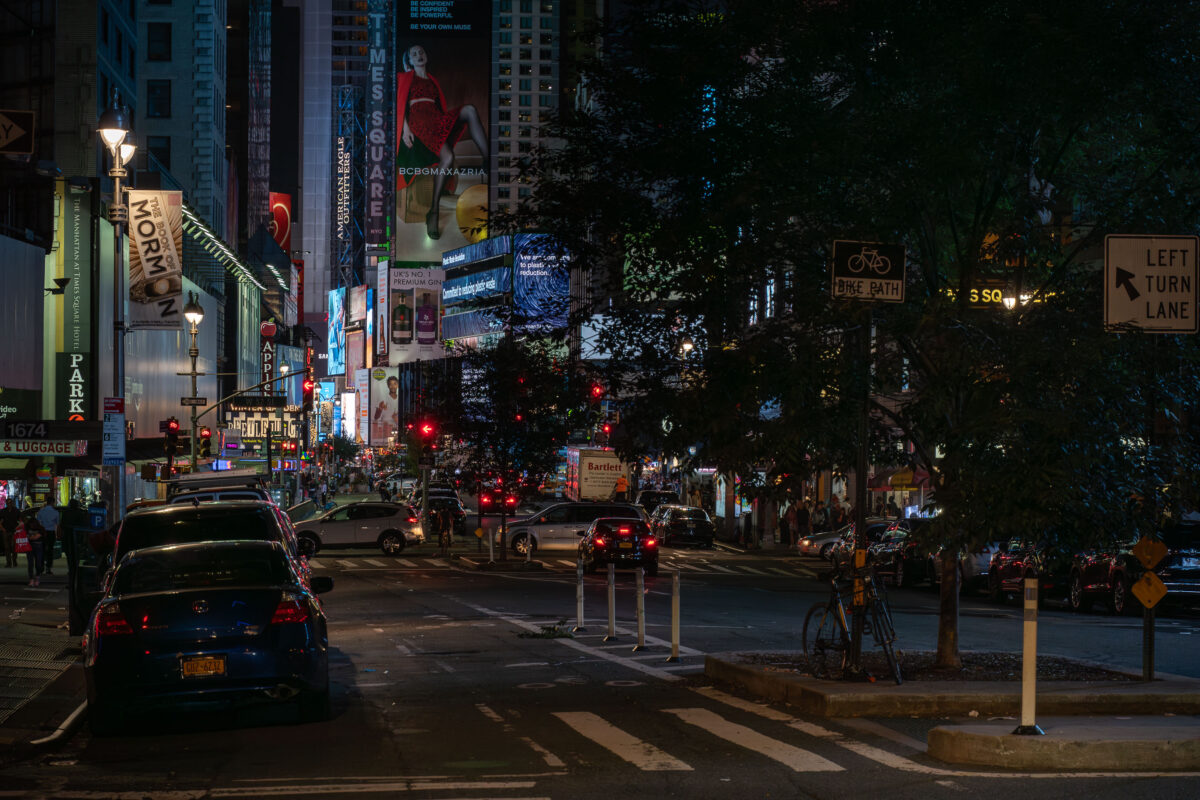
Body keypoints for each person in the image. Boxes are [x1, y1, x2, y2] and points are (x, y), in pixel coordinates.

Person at [396, 43, 489, 241]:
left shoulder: (433, 80)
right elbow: (400, 103)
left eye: (421, 51)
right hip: (418, 121)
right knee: (447, 157)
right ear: (409, 61)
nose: (419, 54)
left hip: (436, 119)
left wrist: (445, 124)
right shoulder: (405, 78)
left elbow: (440, 107)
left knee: (470, 110)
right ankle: (434, 211)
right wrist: (405, 129)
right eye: (414, 53)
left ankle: (489, 160)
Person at [17, 513, 43, 587]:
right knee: (30, 564)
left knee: (38, 563)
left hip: (38, 546)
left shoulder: (40, 528)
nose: (31, 526)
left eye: (33, 525)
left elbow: (35, 537)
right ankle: (31, 579)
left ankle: (37, 578)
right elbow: (20, 531)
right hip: (31, 547)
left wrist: (30, 536)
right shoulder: (27, 528)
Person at [36, 500, 60, 576]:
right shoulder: (55, 512)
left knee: (41, 550)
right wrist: (57, 535)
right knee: (50, 551)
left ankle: (41, 568)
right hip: (51, 532)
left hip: (43, 532)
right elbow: (57, 524)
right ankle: (48, 568)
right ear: (52, 503)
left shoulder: (41, 511)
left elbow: (38, 523)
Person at [1, 499, 19, 568]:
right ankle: (8, 562)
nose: (9, 504)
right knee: (7, 548)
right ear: (6, 503)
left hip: (14, 531)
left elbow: (20, 520)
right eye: (8, 503)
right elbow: (1, 521)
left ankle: (14, 561)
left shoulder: (16, 511)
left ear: (12, 503)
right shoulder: (3, 511)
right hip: (6, 531)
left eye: (10, 503)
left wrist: (17, 528)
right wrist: (3, 529)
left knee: (14, 547)